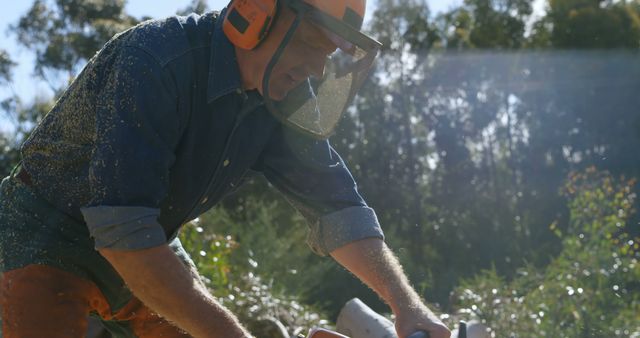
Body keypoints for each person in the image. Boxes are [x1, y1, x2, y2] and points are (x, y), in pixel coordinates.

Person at [0, 0, 451, 337]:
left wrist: (407, 305)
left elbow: (338, 207)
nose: (317, 67)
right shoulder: (155, 59)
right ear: (258, 14)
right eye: (314, 41)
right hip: (44, 234)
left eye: (330, 53)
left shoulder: (284, 98)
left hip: (150, 239)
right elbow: (122, 230)